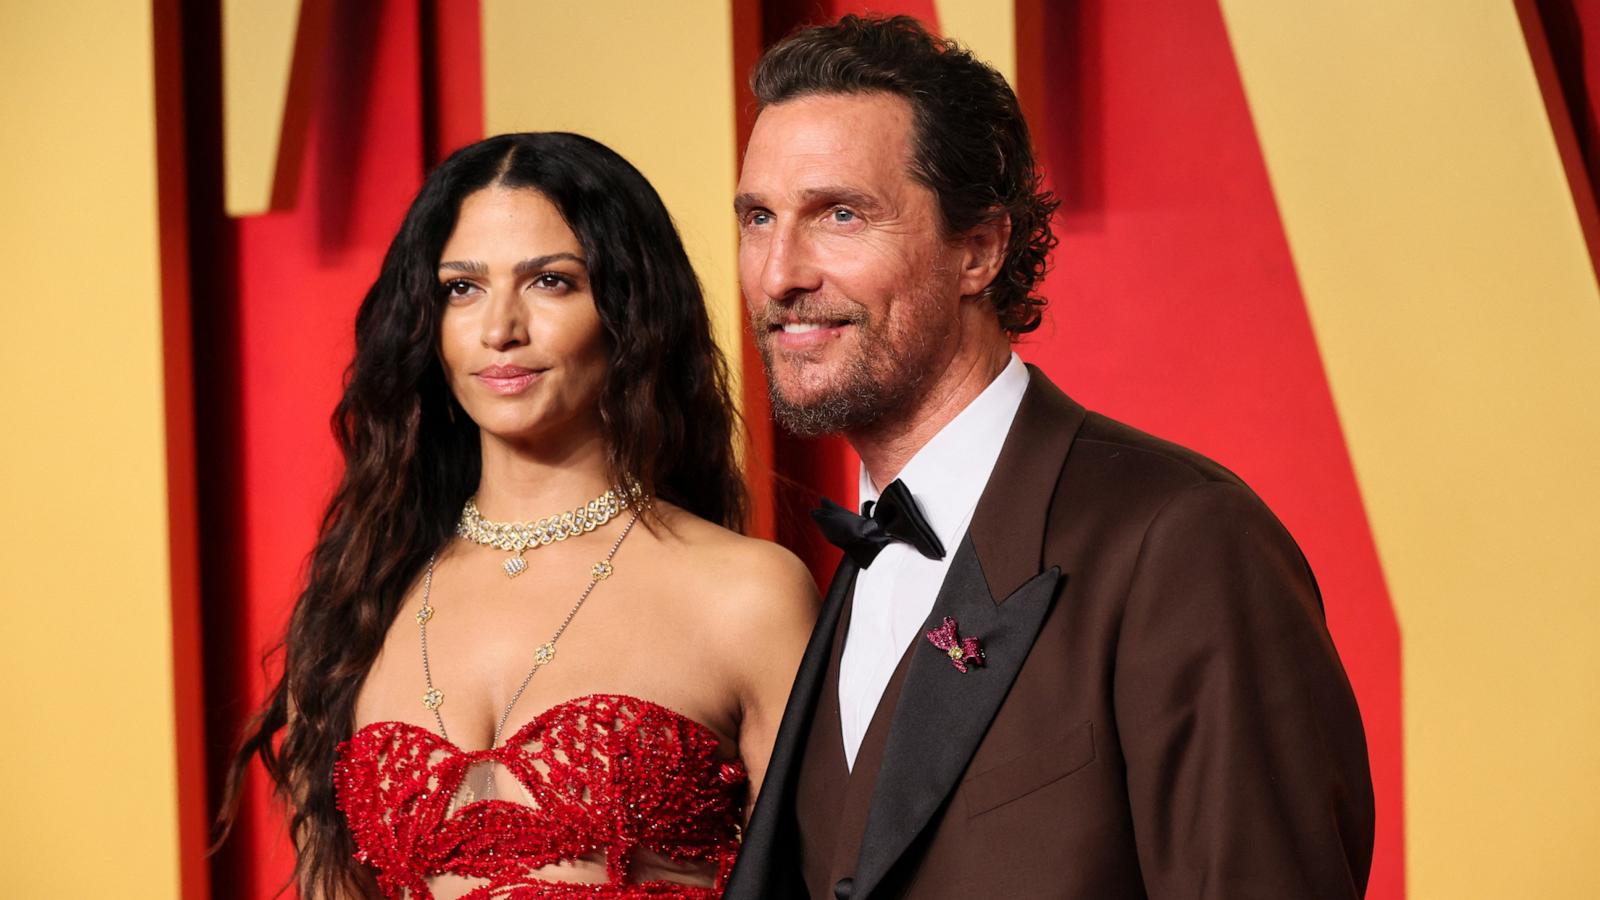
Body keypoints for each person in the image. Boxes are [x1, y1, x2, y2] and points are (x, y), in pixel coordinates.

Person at [725, 16, 1374, 900]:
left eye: (840, 214)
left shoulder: (1184, 541)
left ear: (980, 249)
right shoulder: (840, 578)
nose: (777, 273)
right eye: (758, 218)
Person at [218, 132, 818, 899]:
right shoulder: (360, 606)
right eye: (462, 289)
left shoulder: (747, 594)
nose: (500, 328)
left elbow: (823, 877)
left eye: (551, 283)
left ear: (629, 311)